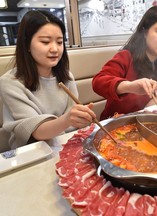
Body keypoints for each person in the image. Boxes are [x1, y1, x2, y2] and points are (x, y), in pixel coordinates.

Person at [0, 10, 96, 149]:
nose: (55, 49)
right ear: (27, 45)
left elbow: (72, 125)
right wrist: (67, 119)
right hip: (32, 151)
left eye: (59, 42)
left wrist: (80, 118)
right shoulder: (10, 82)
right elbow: (36, 131)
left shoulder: (66, 76)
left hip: (66, 144)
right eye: (45, 42)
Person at [92, 5, 157, 120]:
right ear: (144, 32)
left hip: (150, 121)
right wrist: (129, 86)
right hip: (118, 124)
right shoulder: (126, 57)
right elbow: (98, 82)